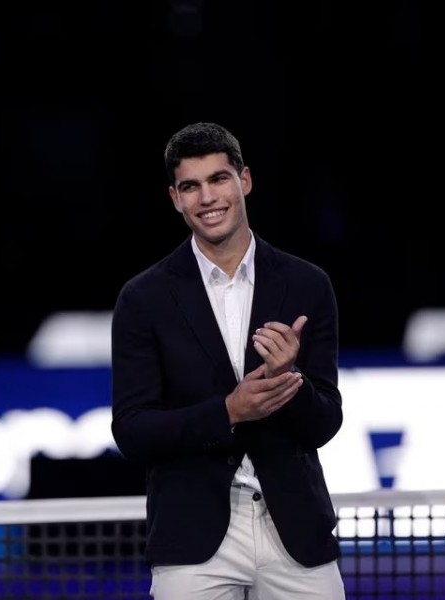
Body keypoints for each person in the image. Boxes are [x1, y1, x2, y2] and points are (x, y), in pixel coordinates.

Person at [110, 121, 345, 599]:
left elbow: (326, 421)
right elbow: (132, 430)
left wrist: (288, 381)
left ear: (245, 181)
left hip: (295, 533)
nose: (207, 198)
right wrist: (229, 412)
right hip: (193, 539)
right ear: (175, 198)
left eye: (219, 179)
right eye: (191, 186)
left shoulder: (307, 284)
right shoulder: (144, 299)